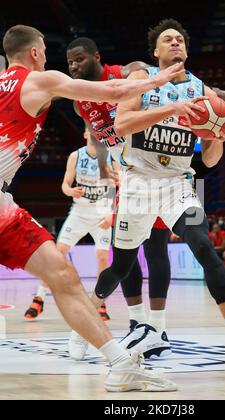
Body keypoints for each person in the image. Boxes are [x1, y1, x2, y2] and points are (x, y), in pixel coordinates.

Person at [77, 19, 225, 370]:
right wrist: (171, 110)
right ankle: (88, 315)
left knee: (203, 245)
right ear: (156, 51)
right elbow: (121, 125)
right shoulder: (141, 79)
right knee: (120, 266)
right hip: (136, 181)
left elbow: (209, 160)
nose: (175, 43)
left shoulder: (204, 94)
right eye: (167, 39)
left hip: (180, 181)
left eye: (180, 39)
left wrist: (216, 137)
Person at [0, 24, 183, 392]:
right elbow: (113, 91)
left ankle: (120, 364)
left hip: (4, 206)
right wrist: (156, 80)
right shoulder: (36, 80)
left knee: (63, 274)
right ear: (36, 53)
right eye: (47, 54)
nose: (50, 61)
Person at [24, 130, 113, 321]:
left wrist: (112, 213)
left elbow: (117, 186)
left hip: (102, 211)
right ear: (85, 133)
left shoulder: (109, 154)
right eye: (91, 130)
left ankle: (100, 303)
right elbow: (64, 185)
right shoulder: (76, 156)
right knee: (57, 254)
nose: (94, 134)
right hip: (80, 212)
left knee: (103, 257)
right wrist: (71, 191)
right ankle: (39, 298)